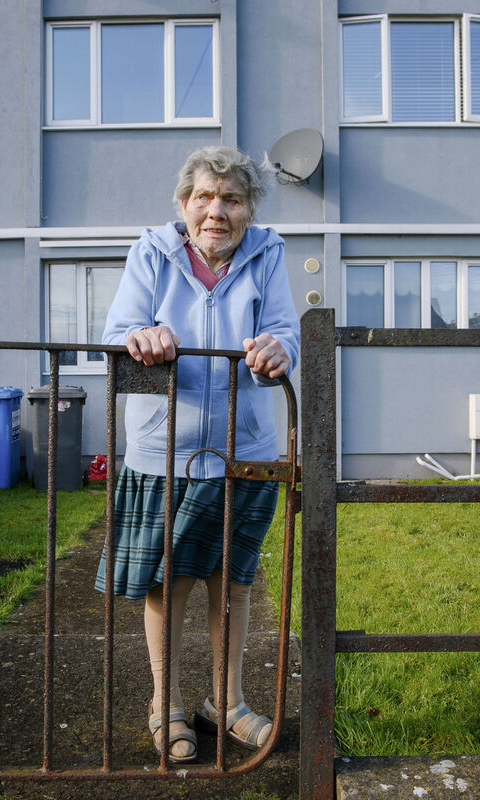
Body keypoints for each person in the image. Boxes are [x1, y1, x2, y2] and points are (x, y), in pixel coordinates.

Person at [94, 145, 299, 763]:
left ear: (248, 210)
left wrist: (278, 348)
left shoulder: (267, 253)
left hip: (246, 450)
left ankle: (226, 702)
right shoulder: (151, 253)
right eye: (204, 197)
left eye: (232, 199)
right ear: (184, 205)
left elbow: (287, 330)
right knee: (169, 584)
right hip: (165, 452)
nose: (217, 211)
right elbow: (117, 331)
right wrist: (142, 335)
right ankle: (167, 703)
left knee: (232, 584)